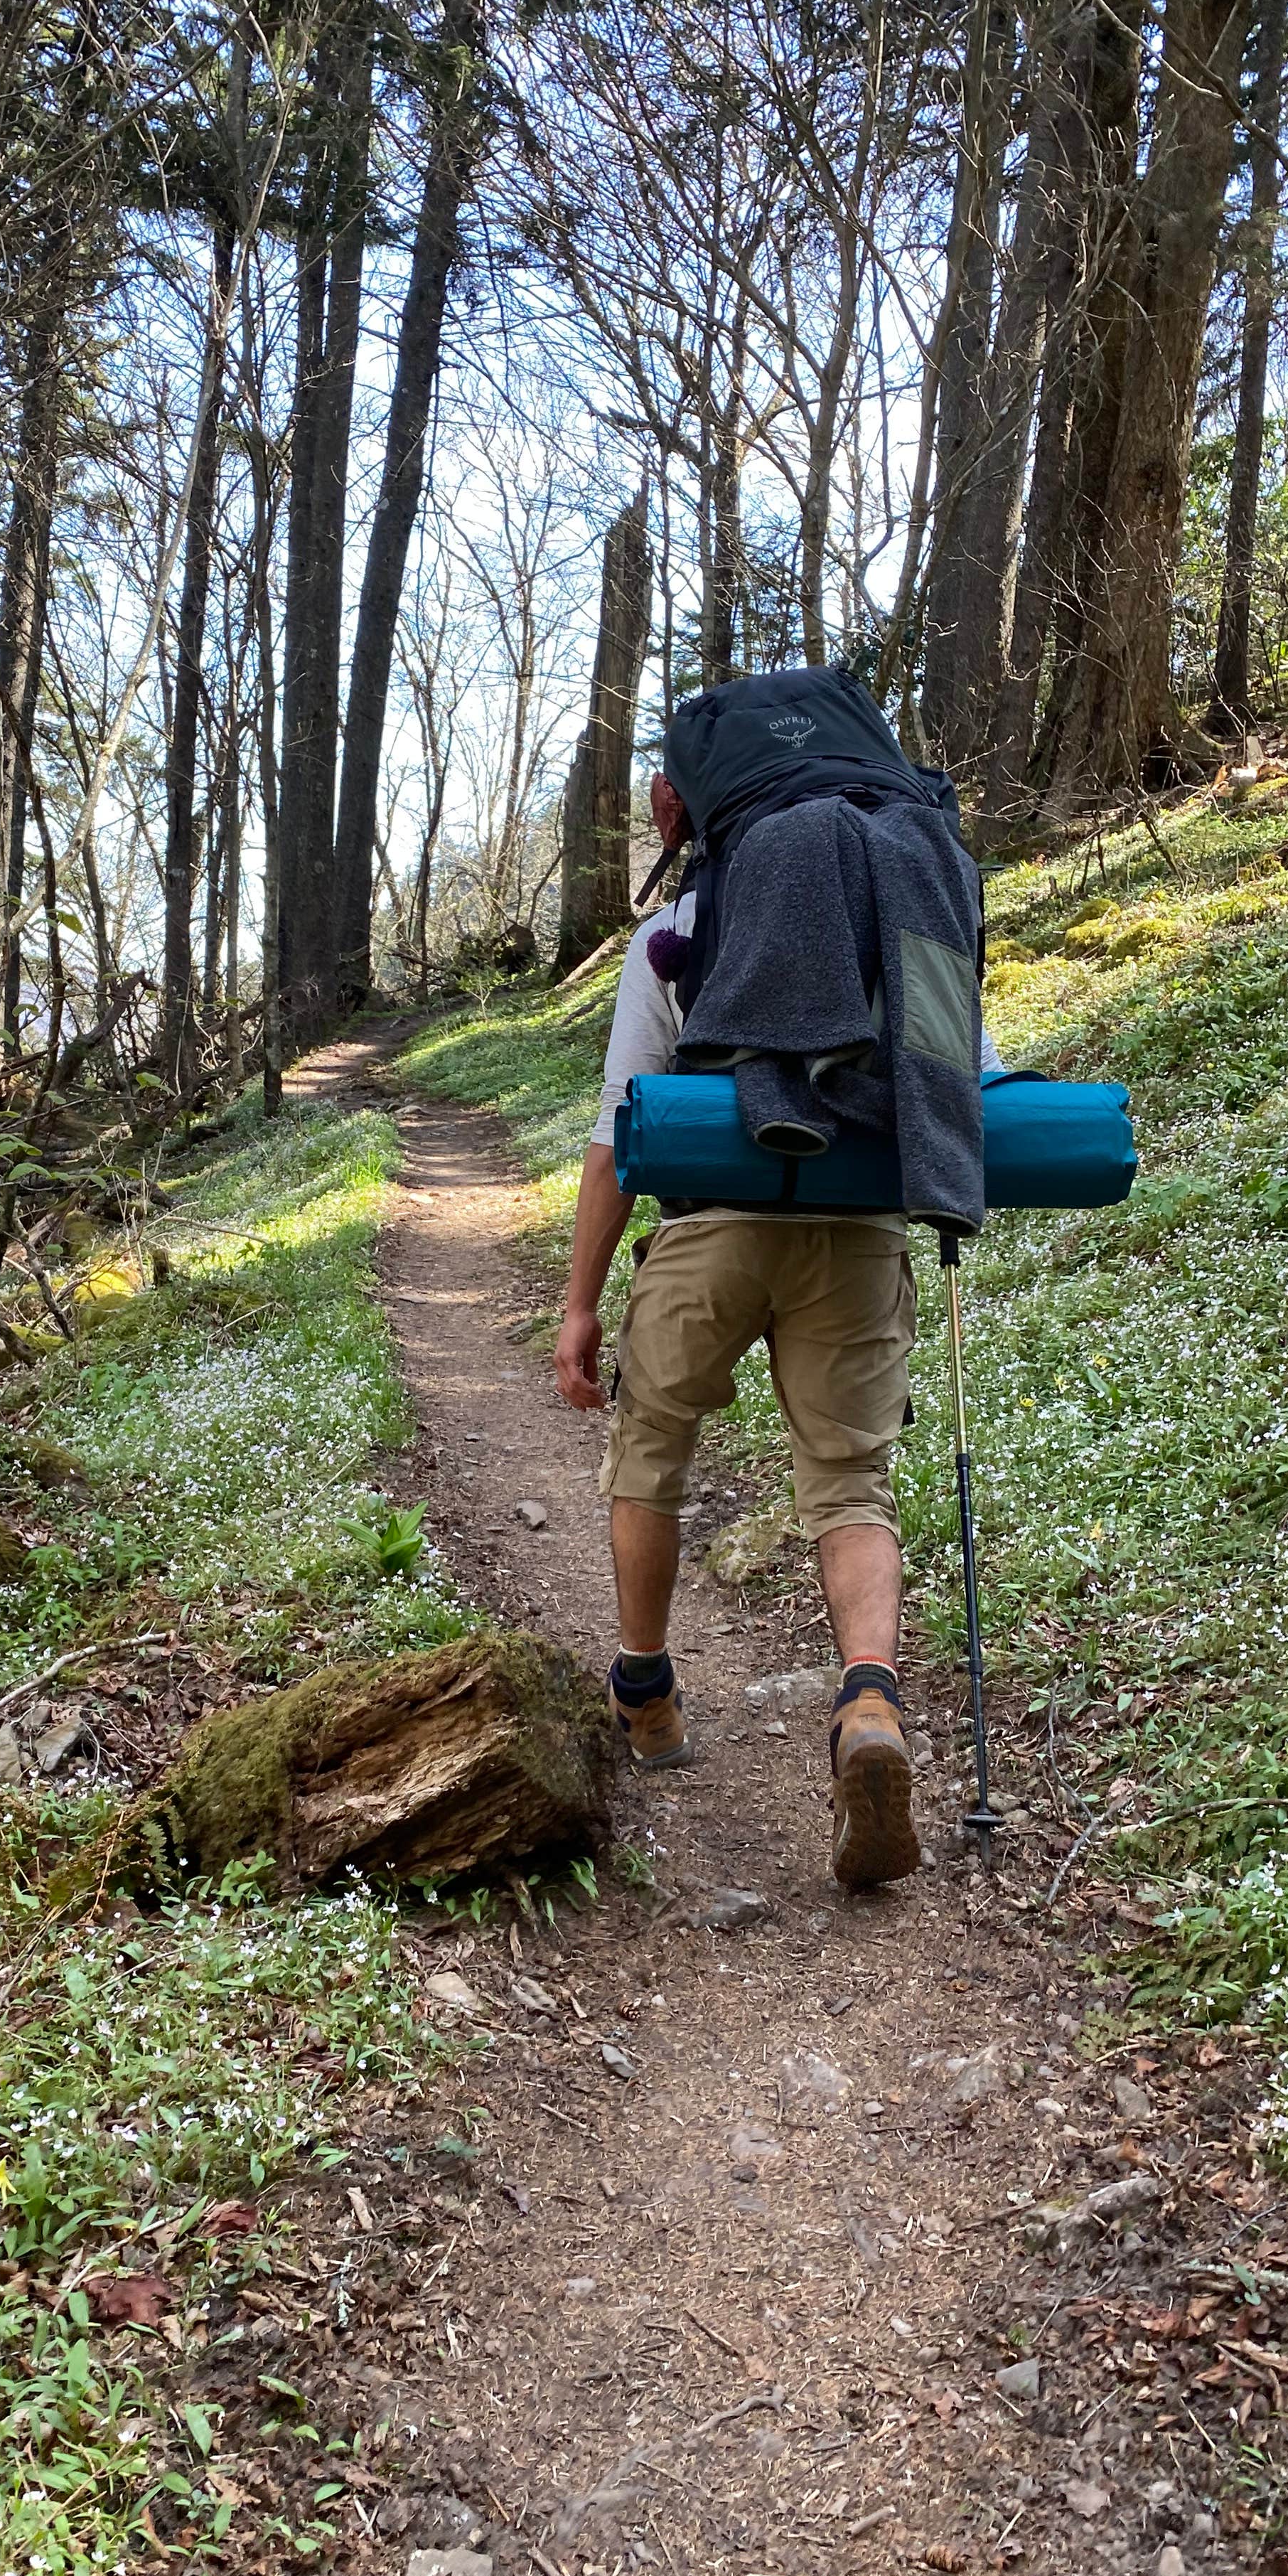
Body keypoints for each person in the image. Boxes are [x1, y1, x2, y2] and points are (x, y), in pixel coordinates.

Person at [553, 734, 995, 1891]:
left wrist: (579, 1305)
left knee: (653, 1451)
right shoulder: (905, 898)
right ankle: (867, 1705)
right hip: (856, 1232)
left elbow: (620, 1135)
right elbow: (969, 1081)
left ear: (684, 813)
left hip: (712, 1224)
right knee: (851, 1481)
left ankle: (644, 1693)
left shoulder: (675, 935)